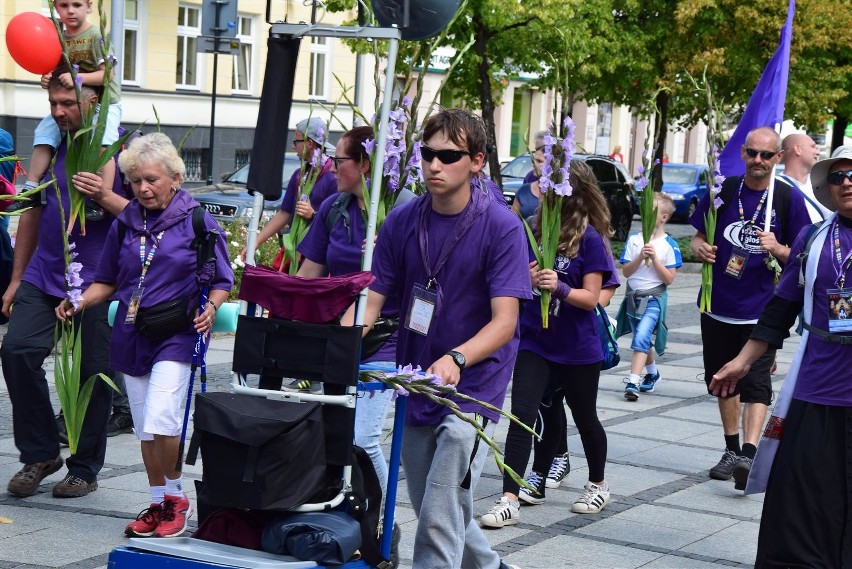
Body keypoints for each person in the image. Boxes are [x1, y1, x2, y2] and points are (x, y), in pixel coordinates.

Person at [362, 109, 530, 569]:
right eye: (427, 153)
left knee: (438, 514)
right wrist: (337, 341)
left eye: (448, 156)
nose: (434, 165)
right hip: (418, 379)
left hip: (473, 390)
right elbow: (374, 298)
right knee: (439, 506)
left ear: (476, 162)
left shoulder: (502, 227)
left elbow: (505, 322)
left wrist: (457, 357)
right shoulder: (403, 220)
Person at [56, 132, 233, 538]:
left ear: (175, 178)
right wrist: (78, 301)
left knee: (162, 417)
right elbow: (106, 281)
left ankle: (175, 499)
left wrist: (212, 306)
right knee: (145, 428)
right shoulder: (126, 222)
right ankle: (158, 502)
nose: (143, 188)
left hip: (178, 333)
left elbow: (223, 278)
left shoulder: (197, 221)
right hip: (133, 333)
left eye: (152, 179)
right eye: (136, 181)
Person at [710, 147, 852, 567]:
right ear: (828, 186)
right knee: (800, 504)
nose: (847, 182)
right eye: (839, 175)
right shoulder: (815, 238)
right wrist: (743, 359)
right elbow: (780, 307)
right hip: (816, 391)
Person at [3, 70, 128, 499]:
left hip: (100, 280)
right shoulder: (52, 146)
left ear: (94, 101)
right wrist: (17, 278)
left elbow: (145, 216)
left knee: (92, 373)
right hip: (45, 273)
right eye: (53, 104)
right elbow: (32, 211)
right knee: (17, 351)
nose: (58, 112)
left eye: (67, 103)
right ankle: (41, 452)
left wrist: (103, 195)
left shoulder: (122, 150)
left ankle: (85, 468)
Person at [481, 160, 614, 530]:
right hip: (534, 342)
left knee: (584, 417)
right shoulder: (532, 229)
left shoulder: (588, 238)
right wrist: (526, 276)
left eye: (553, 188)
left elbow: (593, 297)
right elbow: (510, 277)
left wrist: (561, 287)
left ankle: (598, 484)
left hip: (577, 347)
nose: (544, 193)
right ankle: (510, 497)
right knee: (523, 416)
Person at [689, 126, 811, 490]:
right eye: (752, 153)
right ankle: (730, 449)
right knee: (723, 380)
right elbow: (697, 234)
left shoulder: (788, 199)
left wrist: (779, 249)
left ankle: (749, 451)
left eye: (766, 155)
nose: (758, 161)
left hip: (762, 309)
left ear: (778, 158)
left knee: (756, 382)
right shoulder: (722, 191)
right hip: (717, 304)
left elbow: (804, 256)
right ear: (743, 153)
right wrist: (698, 247)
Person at [296, 125, 409, 496]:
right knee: (334, 436)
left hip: (386, 340)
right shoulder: (333, 208)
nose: (330, 168)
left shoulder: (406, 208)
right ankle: (346, 512)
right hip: (339, 337)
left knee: (362, 438)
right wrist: (285, 313)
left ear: (364, 163)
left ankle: (382, 518)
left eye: (339, 160)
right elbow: (308, 275)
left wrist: (391, 249)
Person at [17, 0, 122, 212]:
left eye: (77, 4)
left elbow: (108, 74)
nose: (70, 10)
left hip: (103, 104)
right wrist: (47, 79)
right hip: (72, 106)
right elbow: (55, 71)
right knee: (43, 134)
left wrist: (77, 78)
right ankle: (32, 188)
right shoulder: (58, 38)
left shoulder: (96, 36)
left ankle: (102, 196)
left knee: (103, 143)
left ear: (89, 6)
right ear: (55, 8)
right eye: (64, 5)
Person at [241, 117, 337, 264]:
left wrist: (313, 215)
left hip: (318, 260)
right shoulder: (299, 174)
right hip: (295, 252)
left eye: (296, 141)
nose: (293, 147)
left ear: (309, 143)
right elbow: (285, 213)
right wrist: (256, 242)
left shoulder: (333, 176)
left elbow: (336, 221)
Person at [616, 193, 682, 401]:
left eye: (651, 211)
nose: (645, 214)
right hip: (633, 299)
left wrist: (654, 259)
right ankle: (653, 373)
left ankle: (633, 382)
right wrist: (639, 257)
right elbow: (626, 272)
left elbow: (669, 279)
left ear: (663, 217)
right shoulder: (635, 240)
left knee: (642, 336)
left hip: (654, 299)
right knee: (641, 339)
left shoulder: (669, 245)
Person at [779, 133, 827, 222]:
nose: (818, 152)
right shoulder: (776, 187)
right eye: (813, 147)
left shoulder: (823, 184)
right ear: (798, 149)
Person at [512, 150, 545, 219]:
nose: (533, 164)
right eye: (533, 160)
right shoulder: (524, 190)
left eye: (539, 161)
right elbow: (511, 220)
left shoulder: (559, 194)